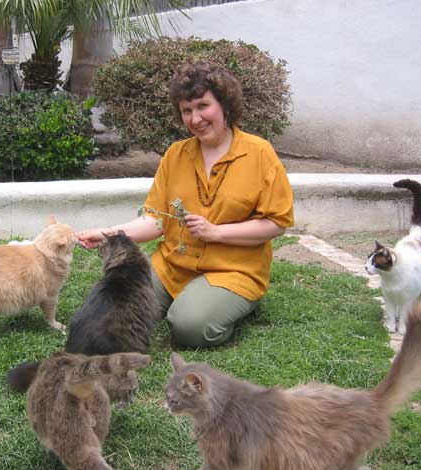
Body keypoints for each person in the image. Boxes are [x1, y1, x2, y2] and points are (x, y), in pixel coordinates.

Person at [77, 61, 294, 348]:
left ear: (225, 105)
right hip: (172, 266)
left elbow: (276, 223)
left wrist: (217, 233)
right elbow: (155, 220)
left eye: (203, 106)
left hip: (232, 271)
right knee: (115, 303)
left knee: (189, 327)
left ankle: (223, 304)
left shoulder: (259, 154)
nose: (195, 118)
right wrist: (108, 234)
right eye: (186, 110)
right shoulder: (175, 155)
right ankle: (189, 299)